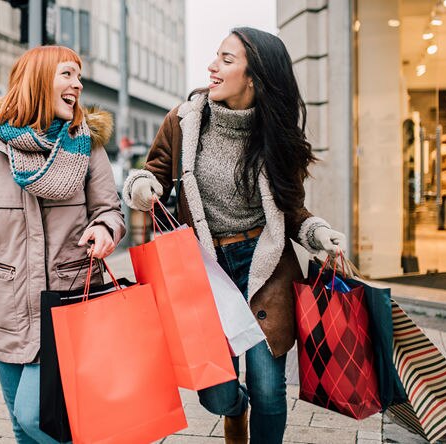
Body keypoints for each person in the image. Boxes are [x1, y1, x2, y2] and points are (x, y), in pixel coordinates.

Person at [123, 27, 346, 444]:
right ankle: (234, 410)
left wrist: (319, 233)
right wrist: (140, 186)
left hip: (266, 265)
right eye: (216, 56)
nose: (213, 66)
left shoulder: (277, 137)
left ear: (255, 77)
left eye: (227, 60)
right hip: (204, 268)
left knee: (268, 387)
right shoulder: (184, 121)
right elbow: (151, 172)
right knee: (216, 391)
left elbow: (292, 209)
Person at [0, 45, 125, 443]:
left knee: (35, 417)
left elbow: (110, 211)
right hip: (8, 307)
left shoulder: (88, 143)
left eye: (78, 76)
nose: (78, 84)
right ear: (38, 79)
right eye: (68, 74)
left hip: (68, 303)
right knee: (20, 425)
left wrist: (104, 230)